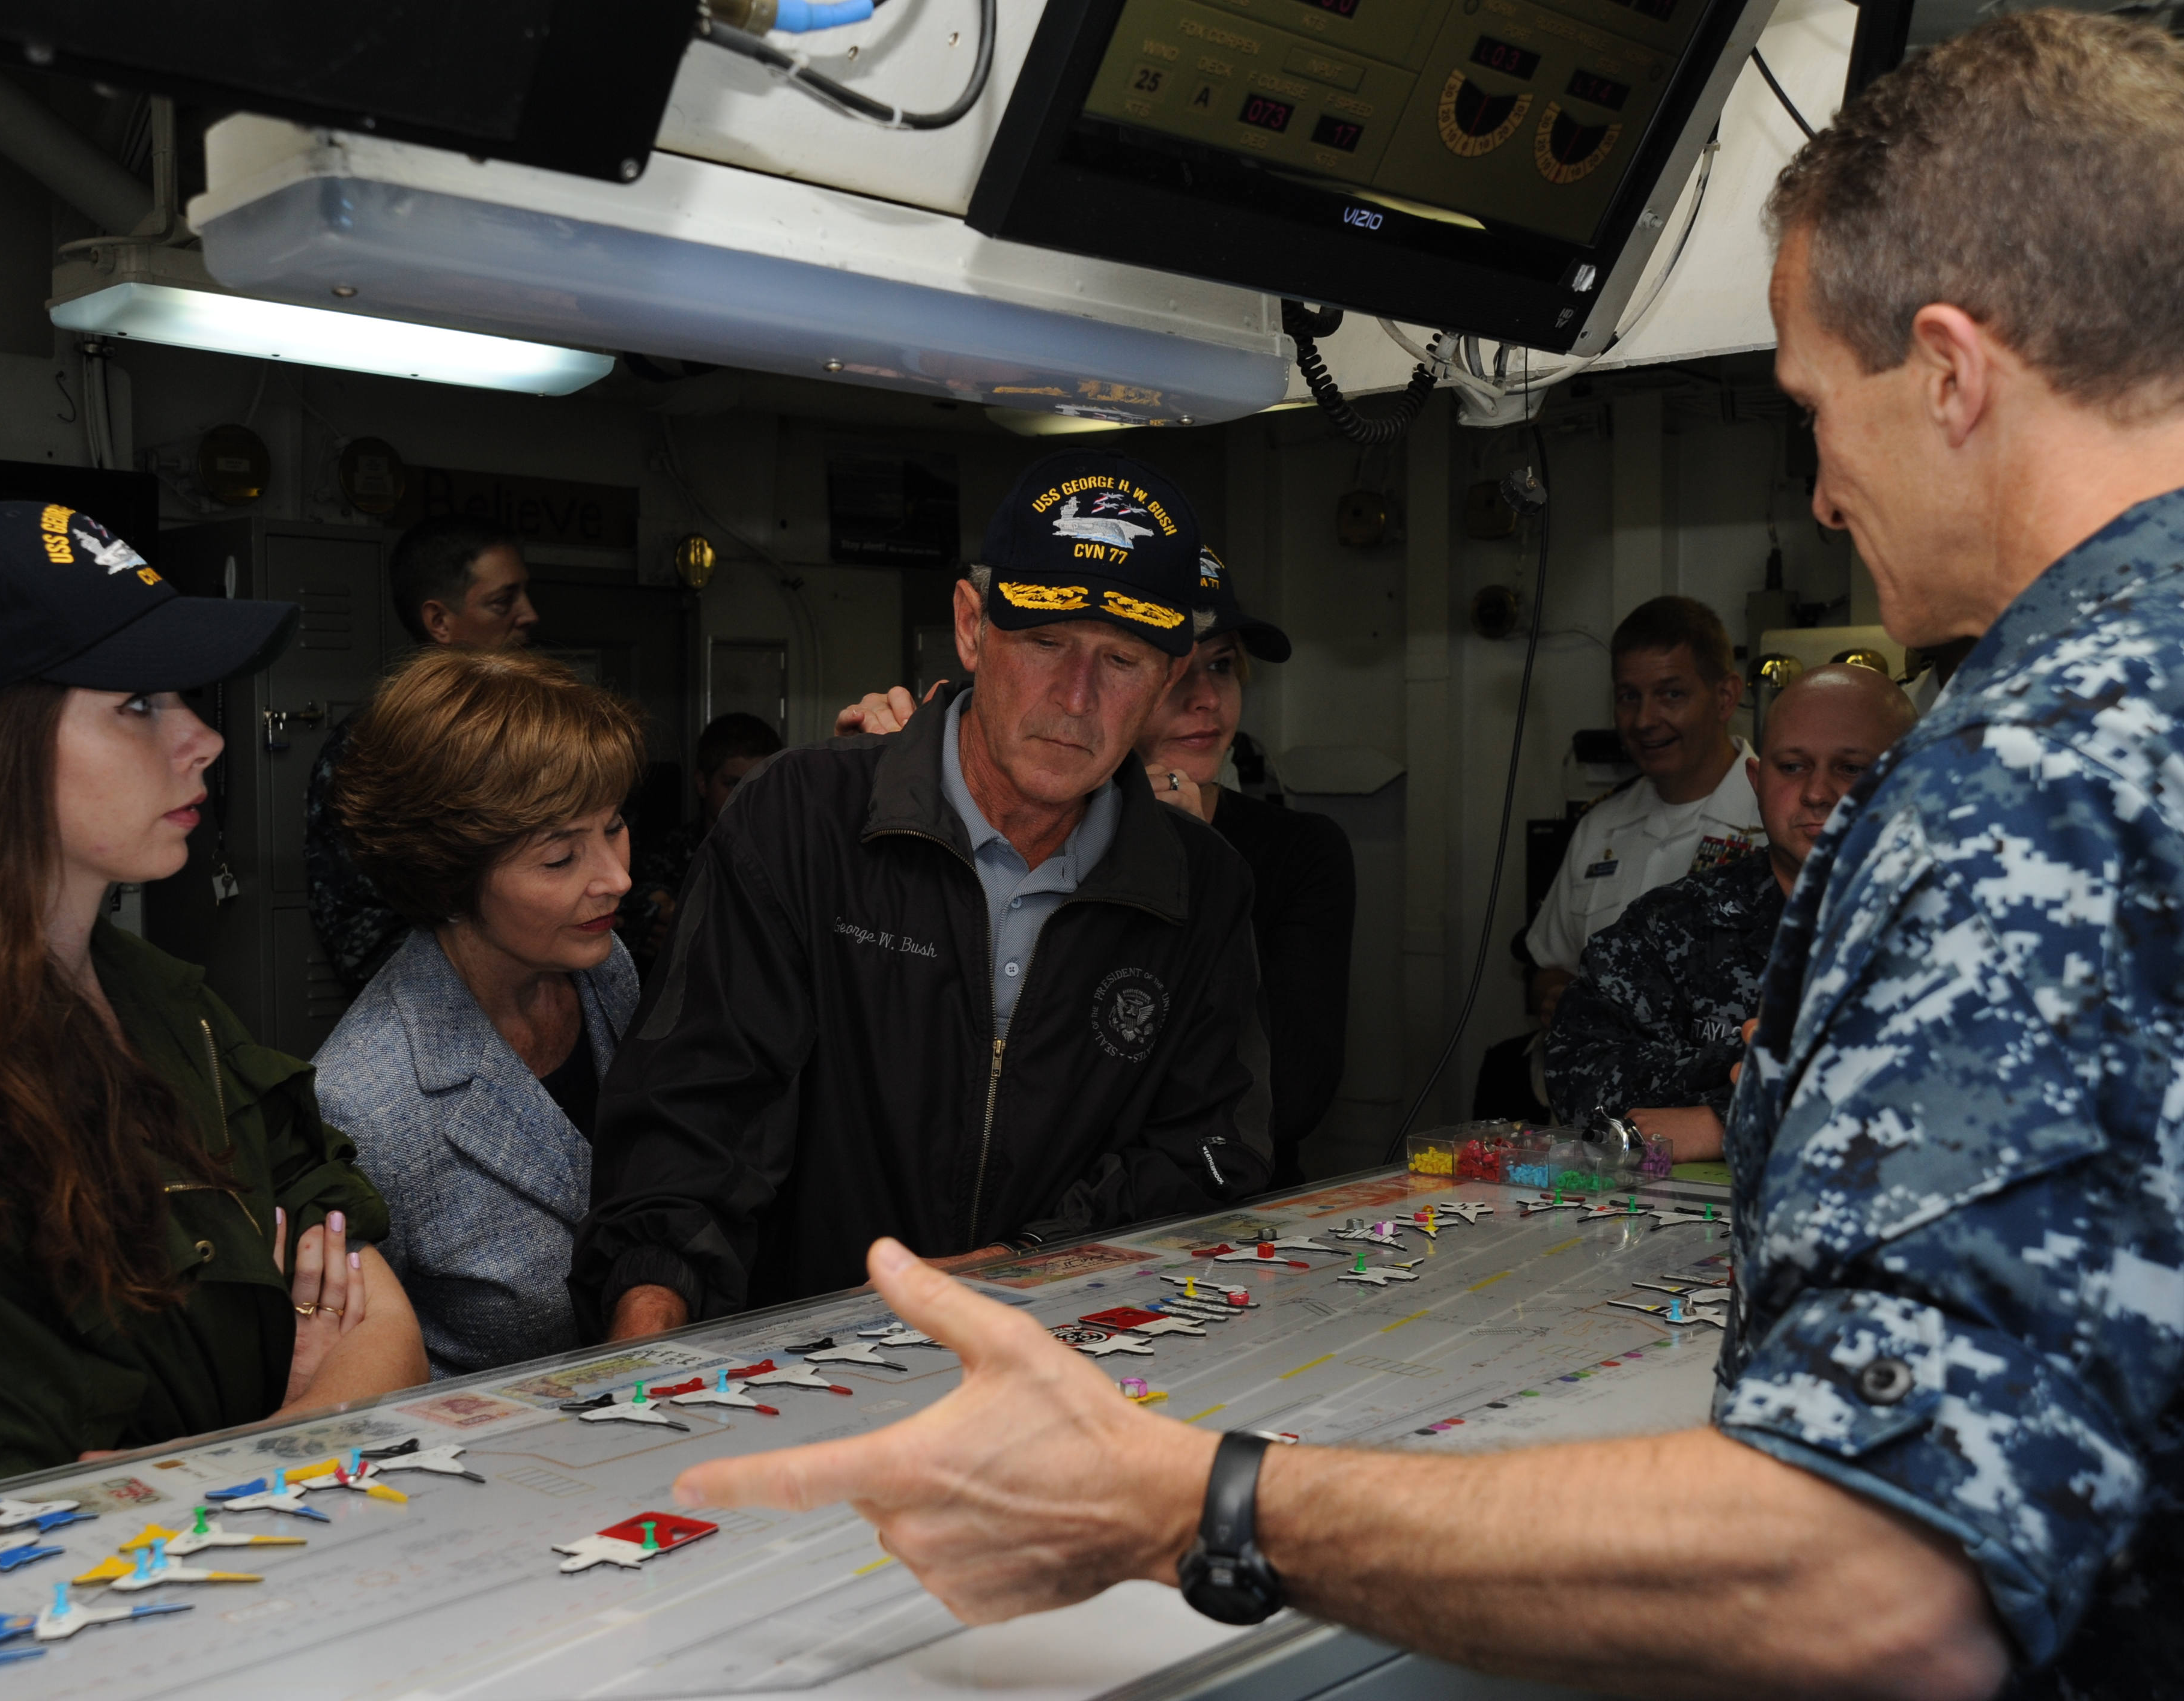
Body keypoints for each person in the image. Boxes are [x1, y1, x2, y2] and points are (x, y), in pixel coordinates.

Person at [670, 14, 2184, 1695]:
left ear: (1953, 373)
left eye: (1813, 407)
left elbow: (1879, 1568)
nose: (1822, 492)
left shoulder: (2039, 775)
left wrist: (1188, 1499)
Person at [0, 503, 428, 1538]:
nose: (204, 739)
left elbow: (382, 1320)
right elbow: (12, 1534)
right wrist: (300, 1424)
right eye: (137, 703)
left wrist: (269, 1440)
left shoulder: (169, 1005)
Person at [573, 450, 1272, 1339]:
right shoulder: (800, 819)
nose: (1076, 698)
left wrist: (1024, 1265)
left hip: (1061, 1355)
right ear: (972, 628)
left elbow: (1209, 1156)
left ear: (1168, 678)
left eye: (1122, 659)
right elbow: (691, 1115)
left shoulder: (1200, 884)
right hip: (799, 1360)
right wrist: (649, 1322)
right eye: (1045, 642)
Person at [837, 548, 1355, 1188]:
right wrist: (901, 778)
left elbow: (1286, 1100)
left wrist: (1185, 874)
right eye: (1143, 661)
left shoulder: (1295, 851)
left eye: (1221, 667)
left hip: (1204, 1223)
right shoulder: (989, 823)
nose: (1203, 700)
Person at [311, 649, 643, 1377]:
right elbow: (358, 1378)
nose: (617, 878)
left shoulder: (605, 968)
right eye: (560, 859)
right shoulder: (362, 1100)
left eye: (614, 825)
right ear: (447, 879)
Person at [1544, 663, 1916, 1158]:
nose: (1817, 793)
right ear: (1757, 781)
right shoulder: (1672, 923)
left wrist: (1725, 1123)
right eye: (1793, 767)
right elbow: (1577, 1080)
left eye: (1851, 768)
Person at [306, 517, 538, 993]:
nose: (529, 614)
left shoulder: (534, 729)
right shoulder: (378, 747)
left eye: (524, 595)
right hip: (444, 1009)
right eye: (503, 602)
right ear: (439, 622)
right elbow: (363, 939)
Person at [1523, 596, 1764, 1025]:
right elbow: (1552, 966)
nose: (1643, 721)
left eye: (1671, 694)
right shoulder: (1600, 828)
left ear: (1725, 698)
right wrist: (1560, 999)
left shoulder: (1780, 823)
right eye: (1629, 697)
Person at [621, 711, 783, 973]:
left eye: (761, 785)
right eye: (733, 784)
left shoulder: (790, 859)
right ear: (702, 783)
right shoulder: (664, 855)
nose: (748, 799)